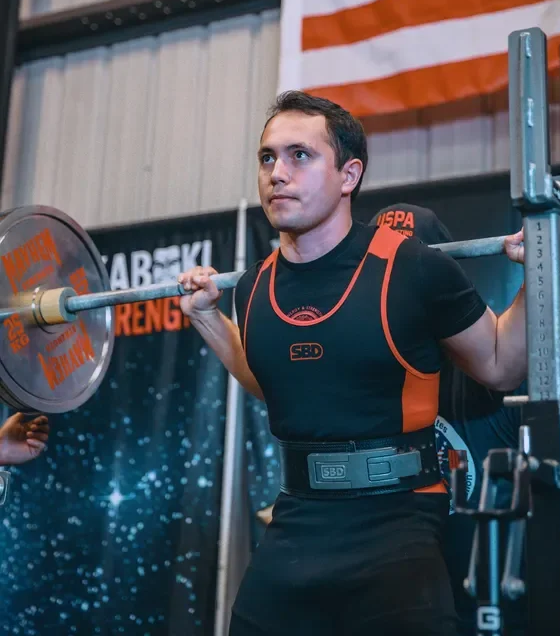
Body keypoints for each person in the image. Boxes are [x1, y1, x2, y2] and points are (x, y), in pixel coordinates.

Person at [178, 91, 527, 636]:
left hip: (398, 529)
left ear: (349, 175)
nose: (277, 173)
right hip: (296, 525)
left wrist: (539, 273)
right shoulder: (253, 287)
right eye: (267, 157)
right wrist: (207, 320)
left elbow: (503, 365)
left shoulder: (412, 267)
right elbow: (277, 388)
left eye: (300, 155)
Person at [370, 201, 560, 635]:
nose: (394, 291)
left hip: (517, 613)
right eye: (381, 277)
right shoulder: (365, 378)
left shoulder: (507, 364)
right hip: (410, 611)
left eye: (409, 273)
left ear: (444, 279)